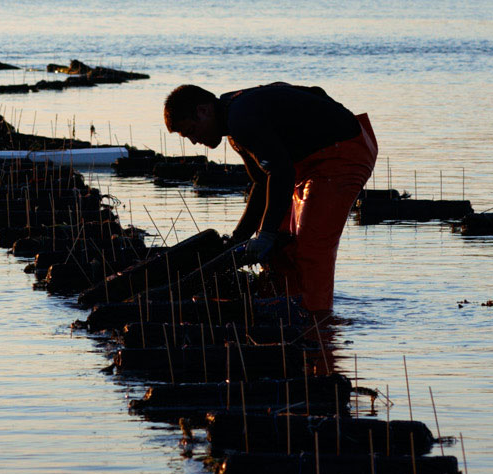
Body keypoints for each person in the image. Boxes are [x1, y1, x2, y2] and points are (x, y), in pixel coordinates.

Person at [162, 80, 378, 319]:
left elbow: (281, 173)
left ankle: (316, 321)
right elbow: (263, 183)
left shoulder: (241, 118)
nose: (194, 141)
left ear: (203, 110)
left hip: (342, 152)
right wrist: (240, 238)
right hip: (304, 162)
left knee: (310, 248)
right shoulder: (233, 125)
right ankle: (283, 310)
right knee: (280, 243)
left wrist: (265, 234)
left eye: (191, 131)